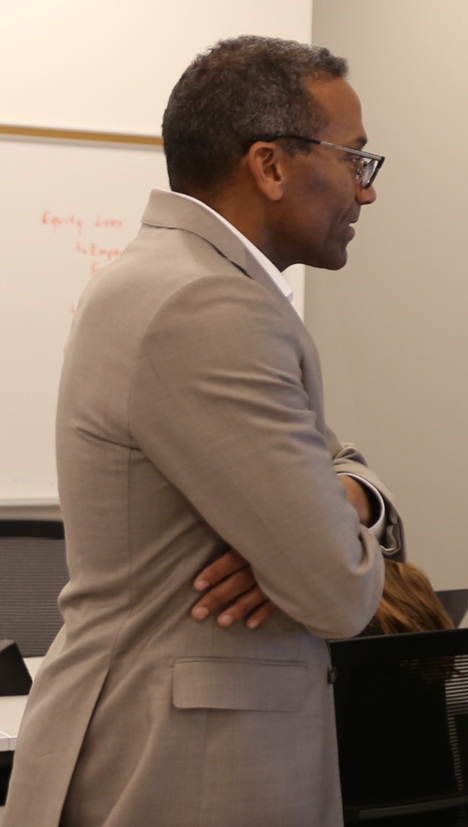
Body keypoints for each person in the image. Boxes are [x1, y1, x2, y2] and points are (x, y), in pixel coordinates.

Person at [4, 36, 400, 827]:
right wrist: (310, 541)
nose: (366, 193)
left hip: (172, 748)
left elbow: (340, 466)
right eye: (356, 160)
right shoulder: (209, 309)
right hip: (191, 770)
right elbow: (334, 590)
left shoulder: (178, 280)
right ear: (272, 164)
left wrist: (344, 501)